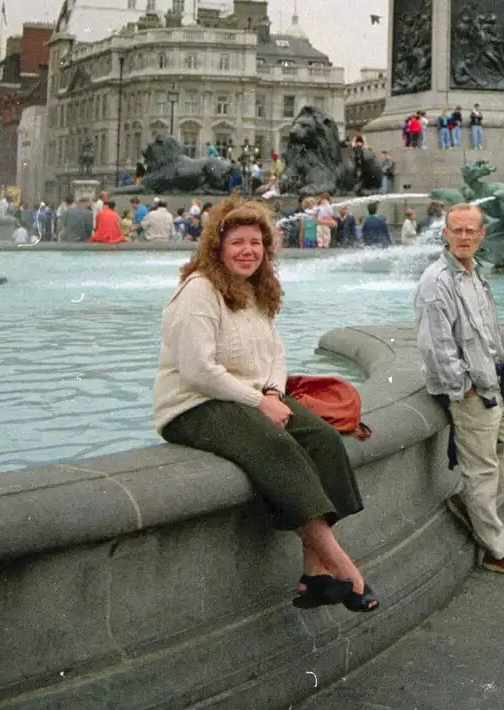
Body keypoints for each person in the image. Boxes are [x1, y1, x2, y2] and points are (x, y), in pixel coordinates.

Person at [154, 196, 377, 611]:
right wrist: (260, 401)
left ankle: (315, 574)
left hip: (252, 399)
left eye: (255, 242)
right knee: (279, 448)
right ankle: (345, 569)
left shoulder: (256, 290)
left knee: (324, 441)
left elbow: (275, 354)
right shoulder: (199, 291)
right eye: (237, 241)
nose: (247, 250)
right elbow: (197, 370)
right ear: (217, 247)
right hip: (193, 405)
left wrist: (273, 394)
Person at [414, 203, 504, 577]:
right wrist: (464, 388)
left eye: (471, 230)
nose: (464, 237)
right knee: (482, 471)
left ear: (482, 235)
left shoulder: (475, 274)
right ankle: (497, 550)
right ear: (445, 234)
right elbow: (435, 347)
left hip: (495, 383)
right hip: (471, 391)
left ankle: (470, 504)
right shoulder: (436, 282)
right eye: (457, 230)